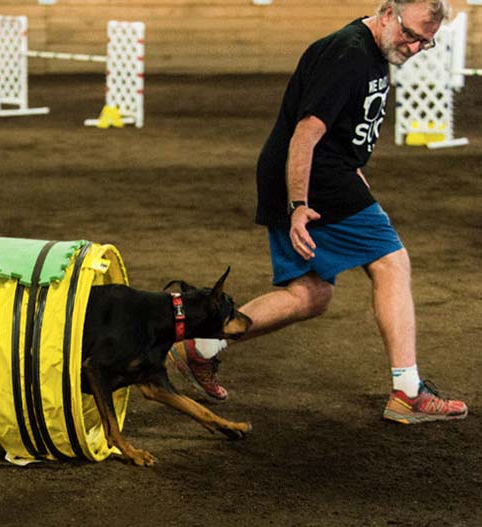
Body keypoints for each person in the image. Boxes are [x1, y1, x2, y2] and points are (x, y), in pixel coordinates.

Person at [173, 0, 468, 423]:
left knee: (310, 296)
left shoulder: (374, 50)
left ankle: (200, 345)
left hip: (319, 176)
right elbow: (306, 134)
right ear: (388, 12)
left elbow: (345, 136)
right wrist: (298, 206)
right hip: (312, 179)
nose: (416, 47)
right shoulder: (347, 54)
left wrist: (353, 179)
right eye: (412, 34)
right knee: (391, 262)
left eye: (427, 42)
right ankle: (407, 392)